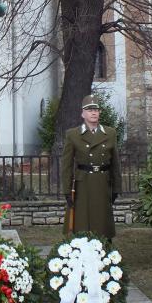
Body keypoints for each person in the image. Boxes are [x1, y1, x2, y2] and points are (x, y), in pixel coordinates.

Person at [61, 94, 122, 239]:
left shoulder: (110, 133)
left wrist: (117, 188)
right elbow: (67, 165)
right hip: (83, 184)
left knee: (102, 222)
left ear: (99, 112)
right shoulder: (73, 134)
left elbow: (115, 163)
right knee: (82, 222)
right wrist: (66, 190)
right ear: (83, 113)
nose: (93, 112)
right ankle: (80, 251)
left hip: (103, 182)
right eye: (89, 110)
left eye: (96, 109)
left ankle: (104, 251)